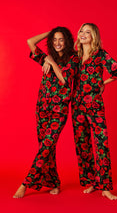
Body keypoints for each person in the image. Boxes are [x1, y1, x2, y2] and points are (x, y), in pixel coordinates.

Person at [13, 27, 79, 198]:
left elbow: (64, 80)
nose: (57, 43)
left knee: (47, 145)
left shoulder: (73, 58)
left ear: (67, 41)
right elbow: (30, 42)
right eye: (54, 40)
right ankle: (54, 183)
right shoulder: (47, 58)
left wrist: (51, 61)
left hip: (59, 110)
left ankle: (25, 184)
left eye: (61, 39)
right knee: (46, 147)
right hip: (42, 107)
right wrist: (49, 34)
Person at [71, 23, 117, 200]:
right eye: (81, 31)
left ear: (94, 36)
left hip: (94, 105)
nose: (83, 34)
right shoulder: (75, 56)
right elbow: (61, 69)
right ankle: (94, 182)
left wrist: (103, 83)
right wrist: (46, 63)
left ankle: (106, 187)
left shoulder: (100, 54)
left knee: (101, 145)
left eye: (88, 32)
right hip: (77, 106)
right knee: (83, 145)